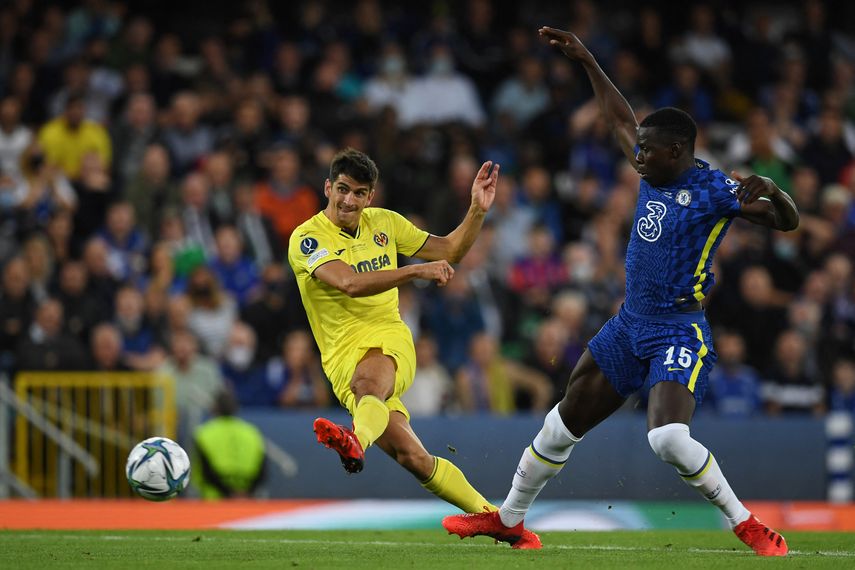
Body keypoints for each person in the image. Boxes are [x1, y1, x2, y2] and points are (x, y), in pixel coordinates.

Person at [442, 27, 799, 556]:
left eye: (648, 151)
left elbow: (786, 223)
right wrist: (587, 58)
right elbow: (618, 118)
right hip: (630, 323)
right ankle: (510, 520)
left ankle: (746, 524)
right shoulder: (651, 169)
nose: (636, 157)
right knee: (560, 424)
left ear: (677, 150)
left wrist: (775, 189)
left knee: (667, 439)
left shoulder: (714, 190)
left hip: (678, 327)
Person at [287, 148, 539, 547]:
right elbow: (349, 283)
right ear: (327, 188)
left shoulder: (385, 223)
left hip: (389, 337)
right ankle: (502, 522)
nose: (349, 200)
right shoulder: (306, 238)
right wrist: (415, 270)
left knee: (370, 384)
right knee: (413, 458)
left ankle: (355, 441)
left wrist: (476, 210)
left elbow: (450, 250)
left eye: (359, 193)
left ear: (371, 197)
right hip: (339, 358)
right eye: (342, 189)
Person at [192, 388, 266, 500]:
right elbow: (262, 470)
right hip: (247, 501)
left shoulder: (204, 433)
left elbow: (206, 472)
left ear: (215, 408)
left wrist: (229, 494)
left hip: (213, 502)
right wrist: (246, 494)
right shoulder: (252, 432)